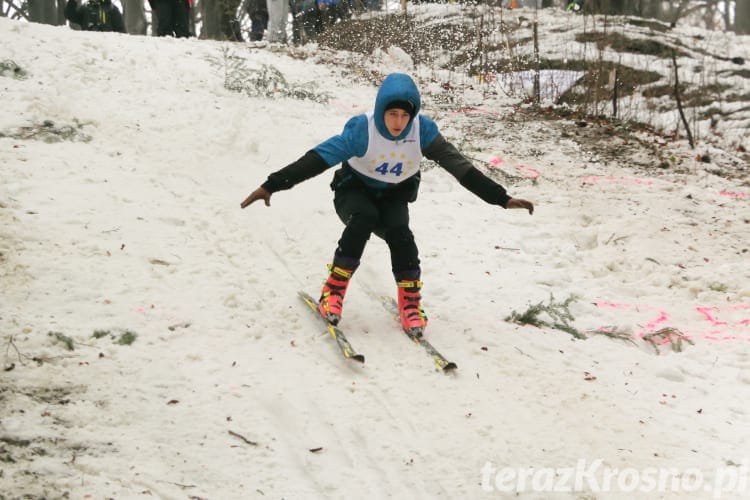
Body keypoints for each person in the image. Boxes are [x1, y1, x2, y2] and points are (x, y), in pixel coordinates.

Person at [240, 73, 534, 336]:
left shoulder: (424, 132)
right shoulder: (362, 130)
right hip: (353, 191)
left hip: (394, 195)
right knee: (364, 218)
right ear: (381, 111)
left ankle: (410, 302)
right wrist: (272, 185)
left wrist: (501, 198)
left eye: (404, 116)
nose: (397, 122)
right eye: (391, 114)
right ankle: (333, 291)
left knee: (400, 231)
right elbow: (316, 159)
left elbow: (459, 166)